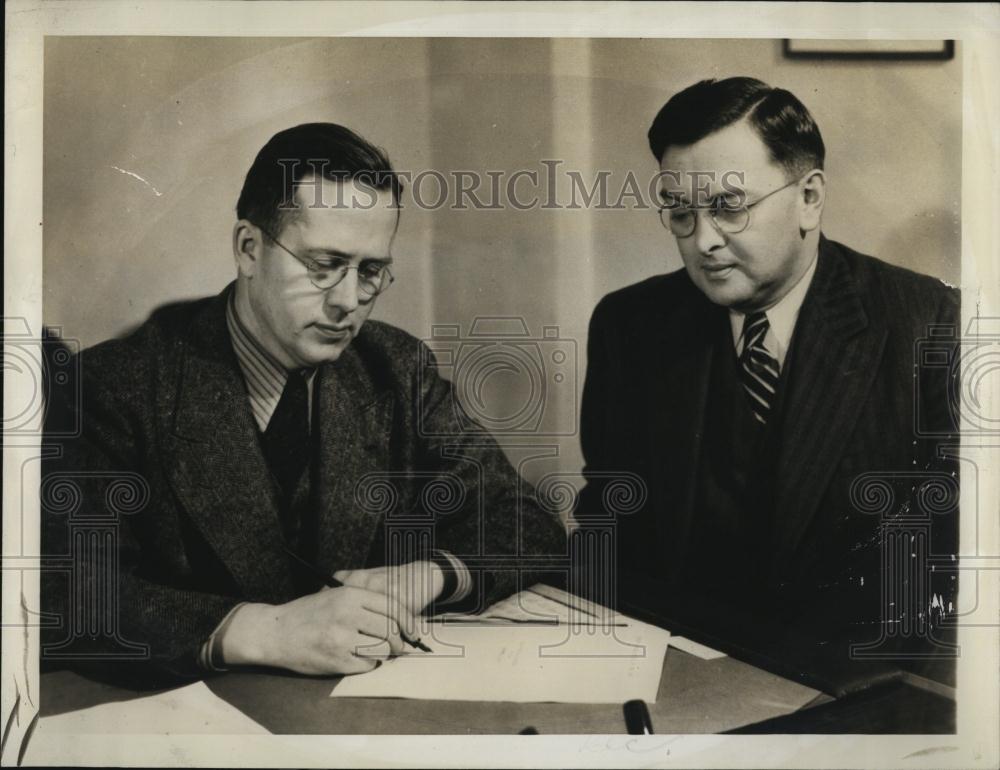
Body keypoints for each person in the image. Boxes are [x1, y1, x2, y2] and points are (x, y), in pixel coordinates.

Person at [41, 123, 566, 686]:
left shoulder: (395, 367)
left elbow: (527, 519)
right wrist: (262, 630)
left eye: (370, 272)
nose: (347, 301)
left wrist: (428, 576)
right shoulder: (117, 384)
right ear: (249, 248)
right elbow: (65, 590)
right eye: (322, 266)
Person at [574, 78, 959, 666]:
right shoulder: (629, 325)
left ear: (809, 197)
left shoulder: (928, 322)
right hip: (675, 674)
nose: (704, 241)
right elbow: (610, 524)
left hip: (861, 687)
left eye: (729, 207)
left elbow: (959, 568)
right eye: (681, 213)